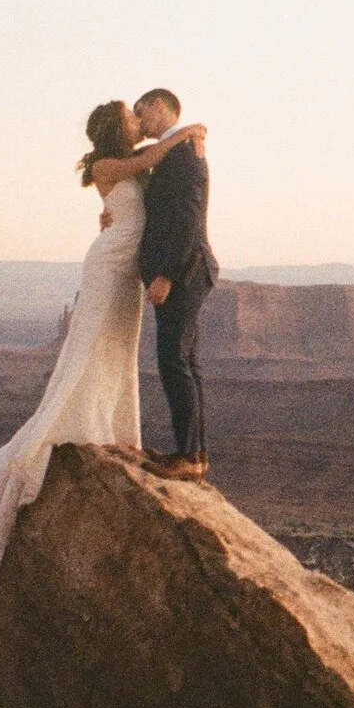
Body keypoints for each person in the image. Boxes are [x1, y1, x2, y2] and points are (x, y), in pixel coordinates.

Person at [0, 98, 206, 600]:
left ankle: (111, 427)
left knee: (117, 349)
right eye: (131, 118)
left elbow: (152, 196)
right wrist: (186, 131)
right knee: (92, 345)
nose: (138, 120)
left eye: (141, 114)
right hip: (110, 266)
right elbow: (145, 165)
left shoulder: (122, 164)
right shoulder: (112, 163)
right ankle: (72, 425)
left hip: (127, 271)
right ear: (117, 129)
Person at [133, 87, 218, 481]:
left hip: (183, 273)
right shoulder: (178, 149)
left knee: (173, 361)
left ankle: (188, 456)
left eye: (141, 111)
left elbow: (187, 219)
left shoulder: (184, 155)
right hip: (186, 271)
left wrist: (166, 274)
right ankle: (194, 454)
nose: (140, 121)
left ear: (158, 106)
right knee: (185, 363)